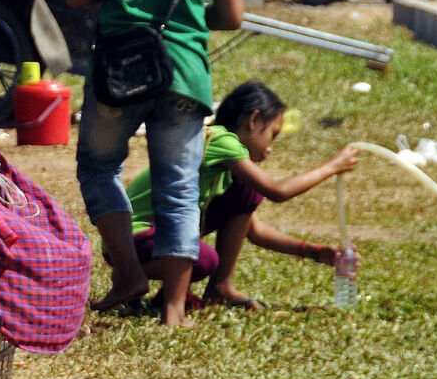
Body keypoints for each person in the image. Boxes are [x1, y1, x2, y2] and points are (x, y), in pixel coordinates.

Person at [64, 0, 244, 328]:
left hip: (118, 72)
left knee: (99, 168)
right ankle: (174, 309)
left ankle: (128, 273)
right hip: (184, 74)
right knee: (179, 187)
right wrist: (185, 24)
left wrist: (124, 3)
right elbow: (232, 14)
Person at [122, 80, 360, 310]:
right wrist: (332, 166)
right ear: (254, 120)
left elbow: (254, 231)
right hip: (136, 237)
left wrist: (314, 251)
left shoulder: (226, 166)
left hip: (158, 237)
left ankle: (219, 287)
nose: (270, 149)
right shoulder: (219, 140)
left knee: (245, 190)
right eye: (272, 135)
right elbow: (278, 191)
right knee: (205, 259)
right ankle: (130, 274)